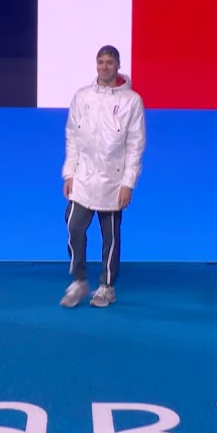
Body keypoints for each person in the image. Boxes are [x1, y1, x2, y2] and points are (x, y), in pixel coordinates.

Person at [60, 45, 146, 308]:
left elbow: (135, 145)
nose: (104, 66)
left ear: (118, 65)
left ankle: (106, 286)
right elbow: (72, 137)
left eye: (109, 62)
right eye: (100, 62)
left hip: (113, 181)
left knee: (110, 236)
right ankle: (79, 281)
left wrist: (128, 183)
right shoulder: (82, 97)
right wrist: (69, 173)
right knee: (74, 226)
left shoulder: (132, 101)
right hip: (83, 177)